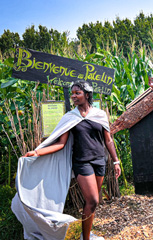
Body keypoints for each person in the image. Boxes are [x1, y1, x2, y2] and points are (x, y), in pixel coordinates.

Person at [13, 80, 121, 240]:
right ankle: (85, 238)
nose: (73, 96)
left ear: (87, 94)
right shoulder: (70, 117)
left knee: (92, 204)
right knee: (92, 200)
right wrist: (36, 152)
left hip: (99, 161)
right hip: (82, 162)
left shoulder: (100, 114)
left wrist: (116, 161)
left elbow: (108, 140)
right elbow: (61, 143)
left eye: (77, 93)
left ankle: (86, 233)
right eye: (72, 93)